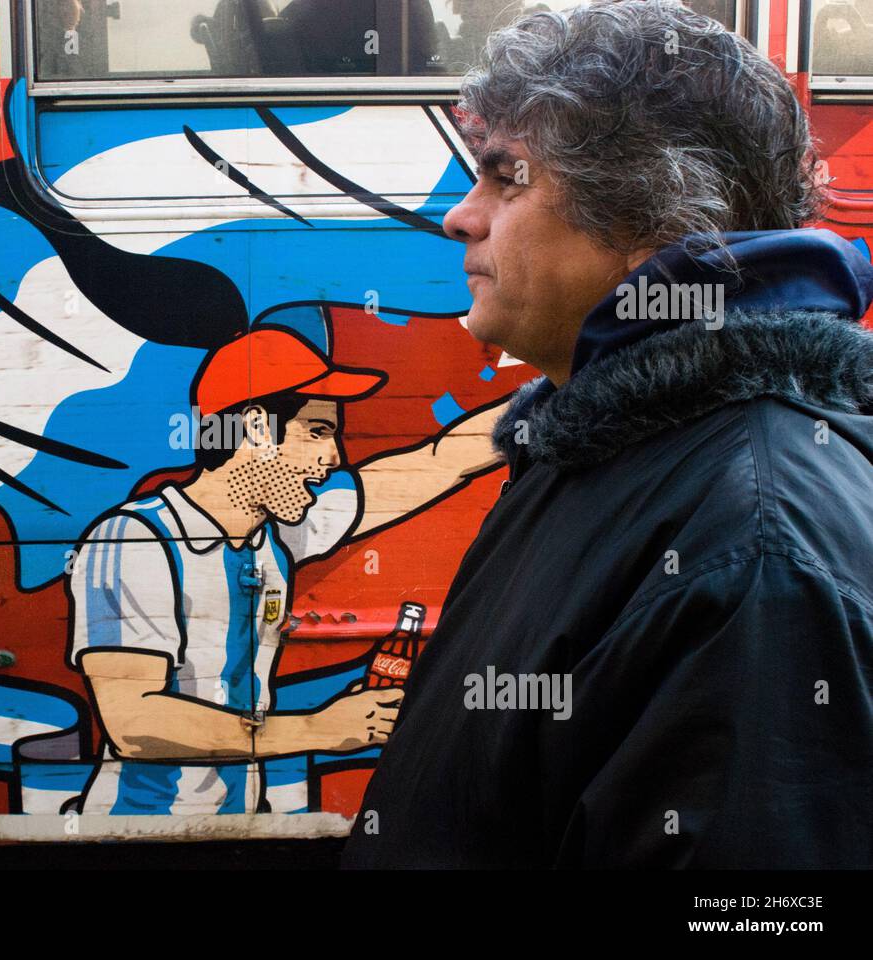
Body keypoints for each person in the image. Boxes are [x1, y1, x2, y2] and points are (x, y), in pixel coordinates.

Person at [343, 0, 873, 868]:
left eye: (505, 178)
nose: (460, 217)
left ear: (642, 212)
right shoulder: (603, 449)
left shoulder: (756, 548)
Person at [65, 327, 507, 815]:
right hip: (136, 834)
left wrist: (557, 388)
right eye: (317, 431)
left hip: (238, 821)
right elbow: (131, 719)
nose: (334, 457)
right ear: (255, 427)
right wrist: (323, 728)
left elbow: (438, 462)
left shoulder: (279, 533)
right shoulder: (136, 539)